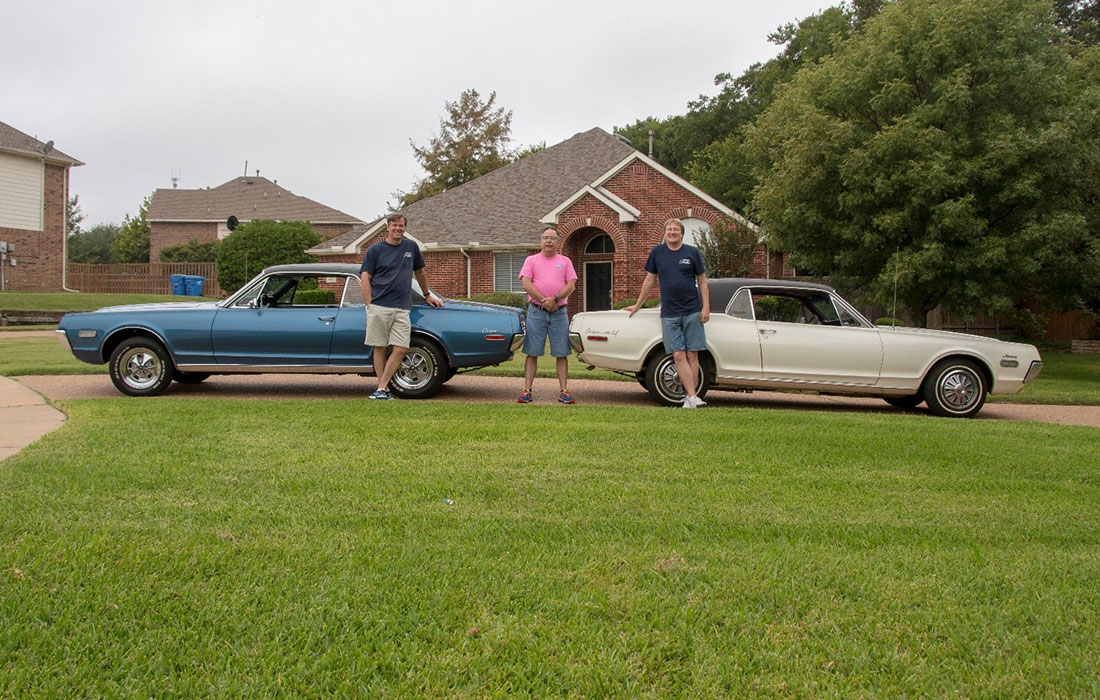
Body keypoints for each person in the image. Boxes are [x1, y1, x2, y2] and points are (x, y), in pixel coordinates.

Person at [626, 218, 710, 408]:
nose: (672, 232)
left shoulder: (692, 252)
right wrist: (638, 304)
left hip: (692, 310)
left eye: (676, 230)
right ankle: (691, 396)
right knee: (678, 355)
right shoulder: (657, 252)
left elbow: (703, 281)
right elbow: (649, 280)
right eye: (669, 230)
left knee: (692, 355)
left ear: (681, 233)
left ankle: (692, 397)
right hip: (670, 312)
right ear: (665, 233)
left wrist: (705, 308)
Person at [360, 213, 444, 399]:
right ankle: (382, 390)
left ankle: (381, 387)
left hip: (402, 307)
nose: (398, 229)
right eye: (394, 225)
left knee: (401, 348)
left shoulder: (411, 247)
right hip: (379, 305)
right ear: (387, 228)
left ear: (405, 228)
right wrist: (369, 303)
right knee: (380, 347)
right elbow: (365, 277)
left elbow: (420, 272)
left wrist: (427, 294)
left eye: (401, 226)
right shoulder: (375, 250)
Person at [517, 226, 578, 404]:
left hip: (560, 313)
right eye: (545, 238)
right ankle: (527, 390)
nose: (549, 241)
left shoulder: (565, 261)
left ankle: (564, 391)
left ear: (558, 242)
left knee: (561, 352)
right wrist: (545, 300)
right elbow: (526, 284)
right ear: (540, 241)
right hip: (536, 312)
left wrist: (556, 299)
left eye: (552, 238)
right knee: (532, 352)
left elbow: (571, 285)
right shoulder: (531, 260)